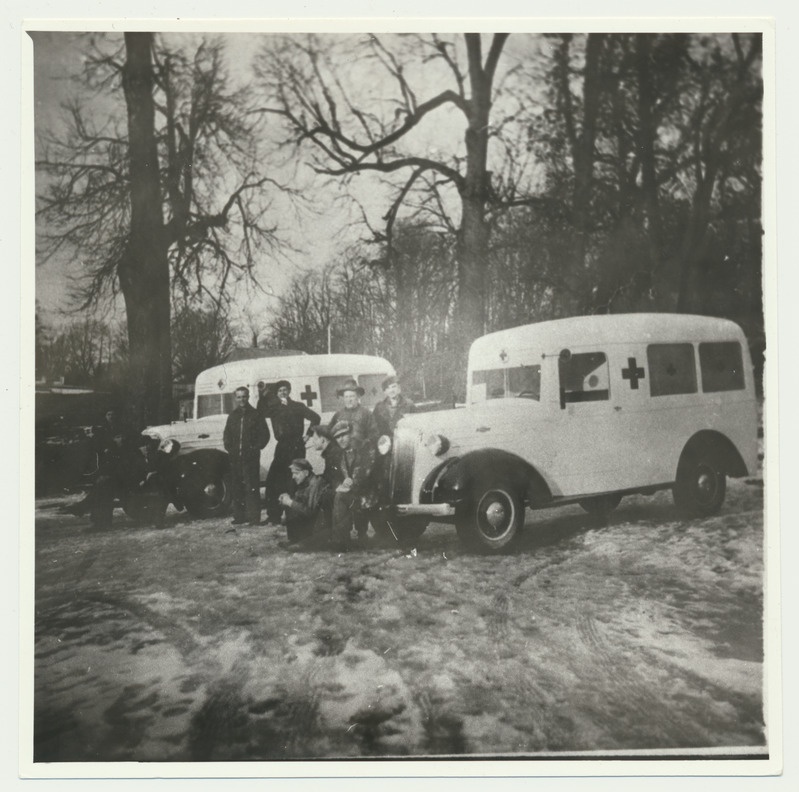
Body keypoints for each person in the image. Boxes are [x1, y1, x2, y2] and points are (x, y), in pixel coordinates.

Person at [257, 379, 321, 525]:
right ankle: (274, 515)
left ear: (289, 391)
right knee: (273, 480)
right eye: (280, 391)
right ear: (277, 394)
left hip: (296, 446)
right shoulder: (273, 408)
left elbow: (316, 418)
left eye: (285, 390)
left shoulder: (298, 406)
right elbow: (260, 411)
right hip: (282, 447)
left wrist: (308, 435)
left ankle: (293, 515)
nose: (283, 392)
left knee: (294, 481)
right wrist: (262, 394)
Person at [223, 386, 270, 526]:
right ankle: (239, 517)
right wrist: (230, 449)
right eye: (239, 397)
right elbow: (227, 435)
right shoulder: (233, 416)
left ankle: (254, 518)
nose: (241, 399)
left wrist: (255, 448)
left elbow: (265, 435)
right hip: (235, 458)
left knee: (252, 487)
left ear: (248, 397)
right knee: (237, 487)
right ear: (235, 398)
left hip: (250, 458)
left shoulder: (256, 414)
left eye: (244, 396)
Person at [87, 430, 148, 530]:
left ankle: (101, 522)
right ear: (113, 439)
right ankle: (100, 522)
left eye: (122, 436)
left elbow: (134, 470)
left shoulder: (131, 451)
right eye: (117, 437)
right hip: (122, 482)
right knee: (103, 486)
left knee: (104, 487)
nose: (121, 439)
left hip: (130, 483)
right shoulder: (114, 452)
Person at [330, 420, 376, 551]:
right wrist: (340, 484)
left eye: (344, 435)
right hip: (352, 493)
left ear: (351, 434)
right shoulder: (339, 454)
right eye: (337, 437)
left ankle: (348, 539)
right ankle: (341, 540)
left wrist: (353, 481)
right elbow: (334, 475)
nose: (341, 439)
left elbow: (369, 469)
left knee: (341, 497)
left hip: (368, 492)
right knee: (339, 496)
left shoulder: (364, 448)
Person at [277, 458, 329, 545]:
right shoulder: (304, 482)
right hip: (311, 526)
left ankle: (303, 542)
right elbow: (298, 503)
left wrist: (290, 502)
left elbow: (310, 511)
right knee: (291, 503)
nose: (293, 477)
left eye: (296, 473)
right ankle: (295, 540)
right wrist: (286, 500)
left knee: (291, 504)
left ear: (306, 473)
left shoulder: (315, 484)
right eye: (292, 473)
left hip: (318, 530)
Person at [328, 379, 378, 447]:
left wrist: (364, 444)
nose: (349, 400)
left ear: (358, 397)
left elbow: (374, 434)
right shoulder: (338, 415)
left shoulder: (367, 414)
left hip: (361, 453)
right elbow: (330, 434)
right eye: (346, 397)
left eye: (352, 396)